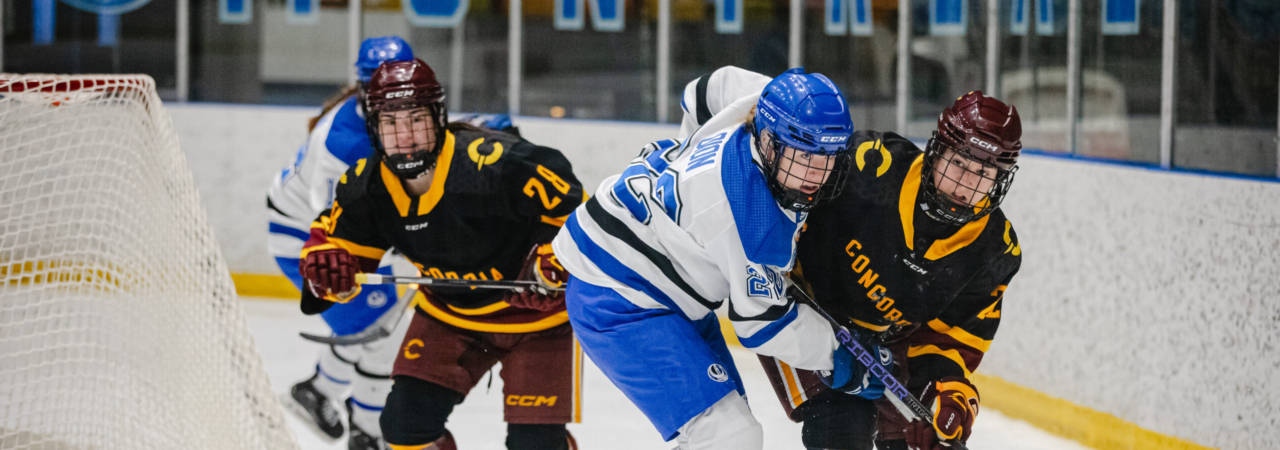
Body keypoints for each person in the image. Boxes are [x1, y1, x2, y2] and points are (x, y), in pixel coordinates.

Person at [681, 67, 1023, 450]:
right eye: (958, 163)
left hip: (887, 339)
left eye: (984, 173)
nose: (966, 184)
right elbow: (783, 186)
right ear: (936, 152)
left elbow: (953, 337)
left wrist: (944, 394)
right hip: (803, 312)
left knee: (919, 444)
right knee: (842, 423)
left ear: (1001, 181)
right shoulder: (868, 167)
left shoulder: (994, 251)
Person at [551, 68, 858, 450]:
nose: (816, 174)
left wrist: (687, 148)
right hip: (620, 299)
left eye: (827, 156)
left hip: (660, 280)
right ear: (768, 141)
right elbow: (762, 325)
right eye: (803, 157)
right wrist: (840, 353)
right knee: (729, 437)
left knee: (729, 430)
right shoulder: (749, 218)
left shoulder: (762, 103)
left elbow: (704, 89)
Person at [298, 58, 586, 450]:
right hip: (448, 315)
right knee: (403, 428)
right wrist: (329, 273)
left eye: (416, 119)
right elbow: (333, 255)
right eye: (390, 124)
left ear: (438, 116)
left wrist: (555, 257)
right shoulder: (367, 186)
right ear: (374, 129)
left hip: (536, 321)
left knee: (535, 445)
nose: (406, 136)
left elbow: (577, 213)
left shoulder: (496, 164)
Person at [267, 35, 416, 450]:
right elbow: (338, 228)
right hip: (305, 238)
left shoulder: (387, 115)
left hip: (322, 228)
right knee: (386, 333)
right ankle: (368, 434)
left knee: (378, 327)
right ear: (367, 87)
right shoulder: (343, 147)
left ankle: (318, 391)